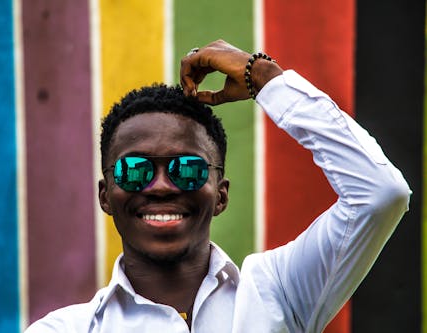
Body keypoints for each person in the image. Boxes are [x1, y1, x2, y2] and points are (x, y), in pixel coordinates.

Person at [25, 40, 411, 332]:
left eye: (187, 169)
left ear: (221, 194)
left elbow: (380, 193)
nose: (161, 186)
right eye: (135, 169)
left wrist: (264, 79)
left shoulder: (276, 293)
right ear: (106, 195)